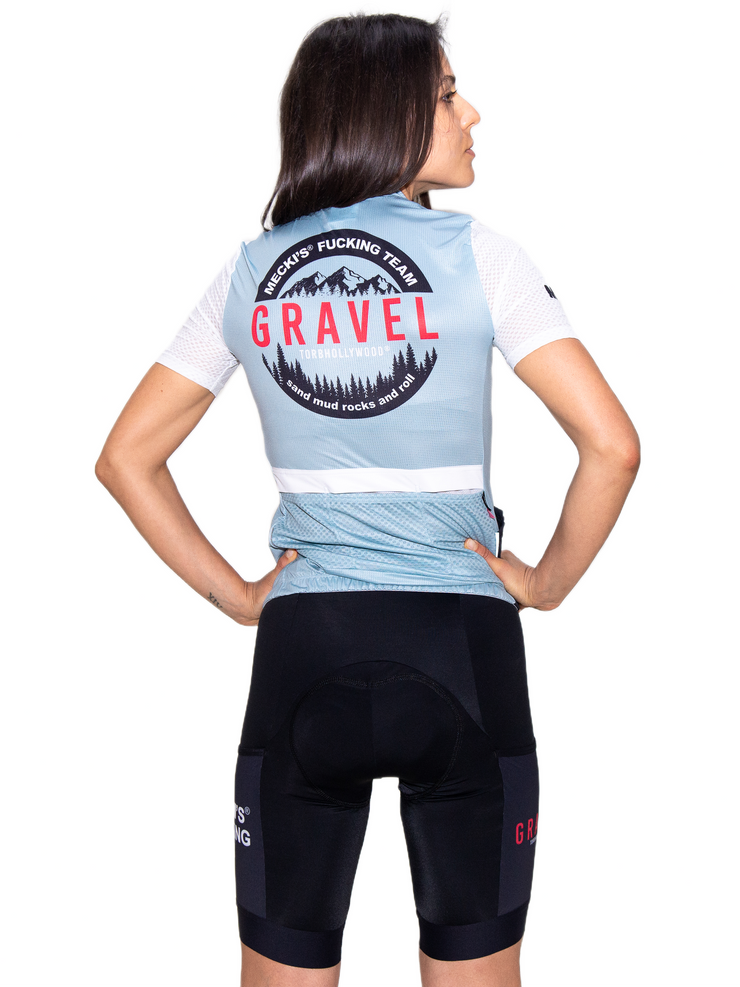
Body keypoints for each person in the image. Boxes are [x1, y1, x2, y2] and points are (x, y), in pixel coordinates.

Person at [95, 13, 640, 987]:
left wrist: (242, 597)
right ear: (383, 111)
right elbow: (612, 446)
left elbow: (126, 458)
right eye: (446, 95)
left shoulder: (254, 270)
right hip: (463, 650)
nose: (473, 114)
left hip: (305, 652)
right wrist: (545, 583)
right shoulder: (481, 257)